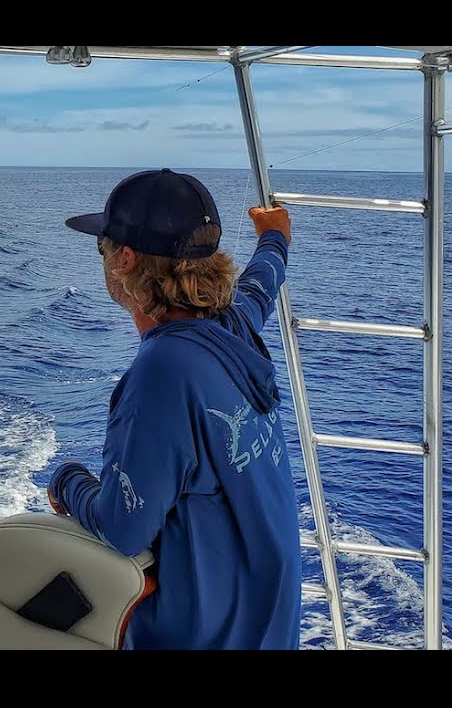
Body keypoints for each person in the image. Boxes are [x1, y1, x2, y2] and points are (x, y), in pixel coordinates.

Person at [46, 168, 301, 650]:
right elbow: (262, 281)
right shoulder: (232, 327)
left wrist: (67, 482)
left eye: (101, 248)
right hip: (270, 629)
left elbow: (123, 528)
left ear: (125, 260)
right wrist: (274, 237)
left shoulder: (162, 372)